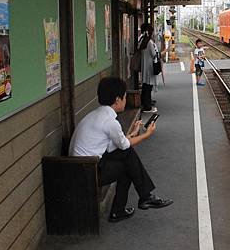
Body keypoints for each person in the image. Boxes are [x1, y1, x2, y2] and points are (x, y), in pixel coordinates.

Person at [69, 77, 173, 222]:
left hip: (83, 165)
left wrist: (132, 134)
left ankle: (140, 199)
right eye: (124, 97)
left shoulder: (97, 114)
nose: (125, 100)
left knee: (127, 158)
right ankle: (134, 202)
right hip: (87, 171)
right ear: (118, 100)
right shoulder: (110, 121)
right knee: (127, 165)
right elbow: (123, 145)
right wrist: (146, 135)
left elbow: (114, 145)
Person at [138, 23, 158, 113]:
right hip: (149, 67)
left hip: (144, 66)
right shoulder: (149, 42)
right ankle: (147, 107)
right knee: (148, 87)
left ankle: (145, 103)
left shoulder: (142, 40)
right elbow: (154, 54)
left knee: (145, 86)